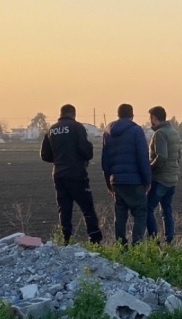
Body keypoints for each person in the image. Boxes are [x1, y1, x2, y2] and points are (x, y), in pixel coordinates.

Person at [40, 104, 102, 245]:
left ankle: (65, 239)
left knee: (64, 209)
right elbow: (86, 151)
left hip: (58, 174)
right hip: (76, 174)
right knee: (87, 208)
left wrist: (58, 159)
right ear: (73, 114)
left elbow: (44, 155)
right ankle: (95, 239)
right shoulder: (77, 128)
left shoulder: (51, 129)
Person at [101, 104, 151, 245]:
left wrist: (108, 183)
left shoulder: (107, 132)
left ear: (118, 114)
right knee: (140, 213)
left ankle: (120, 246)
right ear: (132, 115)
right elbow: (143, 157)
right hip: (135, 181)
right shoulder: (136, 130)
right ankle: (137, 245)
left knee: (120, 215)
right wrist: (147, 181)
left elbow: (105, 161)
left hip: (116, 181)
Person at [146, 106, 181, 244]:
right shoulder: (174, 132)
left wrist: (149, 168)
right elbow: (179, 155)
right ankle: (169, 240)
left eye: (150, 118)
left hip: (160, 179)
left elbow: (161, 157)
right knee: (166, 210)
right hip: (172, 179)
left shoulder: (160, 134)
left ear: (154, 118)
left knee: (148, 209)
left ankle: (154, 242)